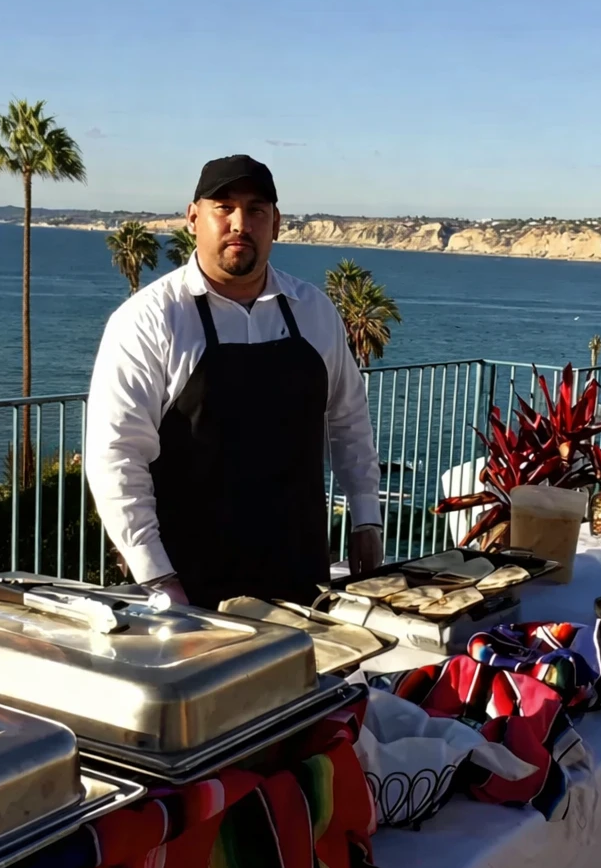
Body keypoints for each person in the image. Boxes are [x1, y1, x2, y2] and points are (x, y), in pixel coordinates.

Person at [85, 154, 383, 609]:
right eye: (223, 207)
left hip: (301, 575)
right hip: (191, 584)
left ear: (276, 223)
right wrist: (157, 576)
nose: (240, 222)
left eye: (256, 209)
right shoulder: (149, 320)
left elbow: (348, 420)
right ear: (193, 218)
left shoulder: (313, 311)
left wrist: (366, 520)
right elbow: (117, 456)